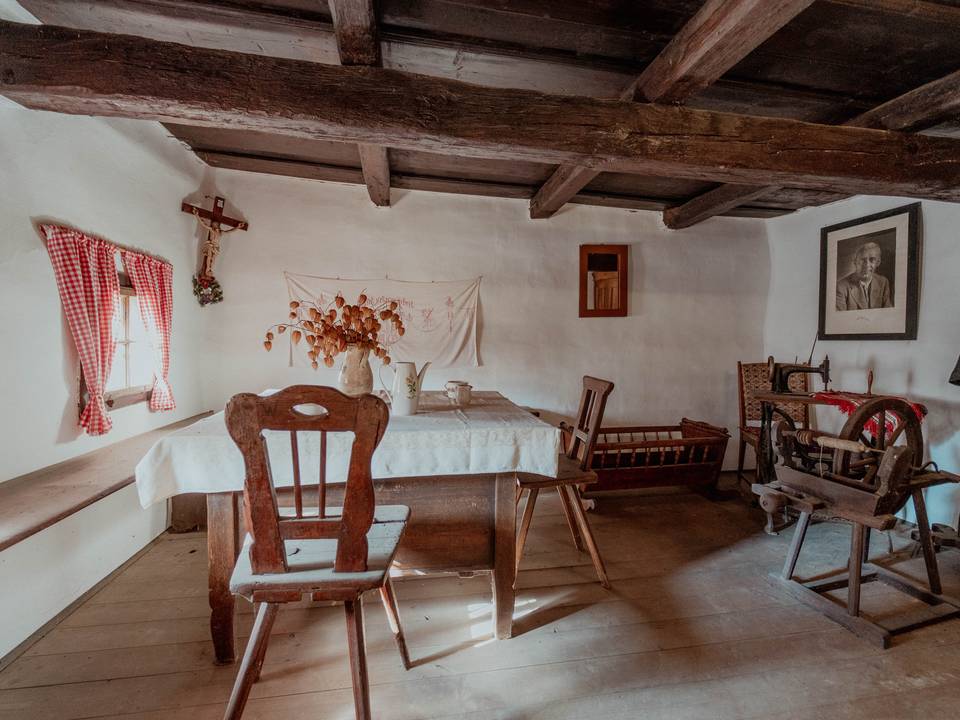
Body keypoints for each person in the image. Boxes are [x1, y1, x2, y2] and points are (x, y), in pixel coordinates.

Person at [835, 241, 892, 311]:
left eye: (872, 260)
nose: (867, 265)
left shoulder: (883, 282)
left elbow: (888, 314)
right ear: (855, 262)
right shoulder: (841, 287)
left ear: (878, 262)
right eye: (862, 260)